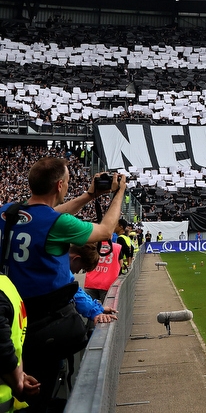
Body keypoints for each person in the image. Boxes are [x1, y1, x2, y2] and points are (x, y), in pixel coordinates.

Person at [0, 158, 125, 411]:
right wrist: (119, 193)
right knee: (40, 395)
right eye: (67, 182)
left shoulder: (7, 212)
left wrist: (90, 196)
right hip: (43, 325)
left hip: (10, 316)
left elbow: (45, 216)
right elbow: (105, 230)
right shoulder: (56, 225)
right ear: (60, 185)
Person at [0, 273, 39, 410]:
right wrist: (20, 376)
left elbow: (3, 350)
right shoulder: (7, 285)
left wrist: (18, 383)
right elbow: (15, 339)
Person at [68, 244, 118, 326]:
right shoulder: (59, 270)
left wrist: (98, 309)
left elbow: (75, 290)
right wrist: (95, 312)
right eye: (81, 268)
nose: (77, 272)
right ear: (76, 259)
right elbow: (73, 293)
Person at [83, 238, 122, 303]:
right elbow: (121, 263)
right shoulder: (117, 247)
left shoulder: (93, 246)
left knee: (88, 307)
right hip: (108, 283)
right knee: (108, 306)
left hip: (91, 282)